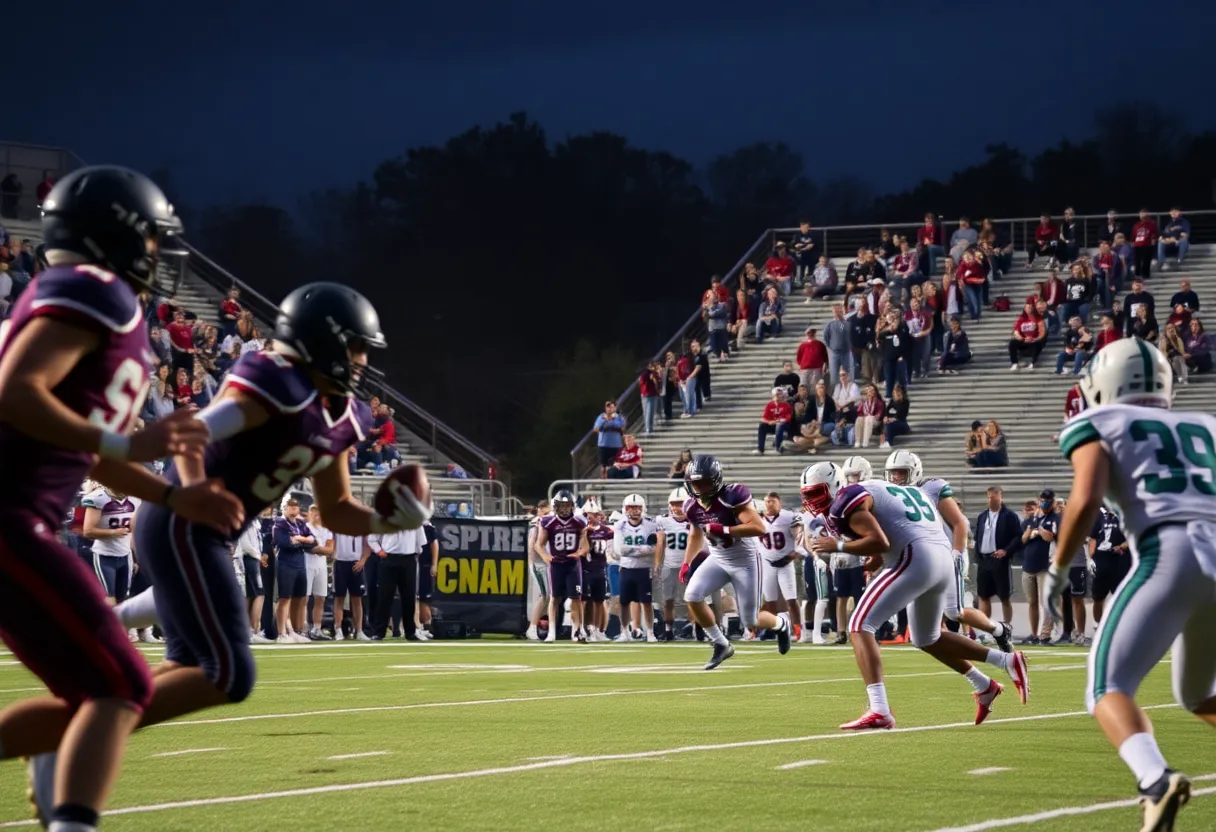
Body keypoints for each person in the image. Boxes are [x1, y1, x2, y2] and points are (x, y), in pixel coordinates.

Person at [25, 281, 432, 823]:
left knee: (190, 668)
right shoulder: (273, 382)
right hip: (182, 522)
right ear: (324, 342)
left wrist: (388, 519)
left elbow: (334, 510)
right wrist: (192, 489)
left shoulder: (344, 415)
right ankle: (74, 731)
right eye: (355, 347)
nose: (361, 360)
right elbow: (192, 431)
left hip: (207, 531)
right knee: (229, 672)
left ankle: (74, 726)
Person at [0, 166, 248, 832]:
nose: (156, 256)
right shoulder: (95, 289)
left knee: (102, 690)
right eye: (150, 241)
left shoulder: (114, 309)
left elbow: (98, 458)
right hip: (10, 521)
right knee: (120, 686)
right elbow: (16, 391)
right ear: (117, 236)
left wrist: (174, 494)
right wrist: (131, 445)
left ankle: (62, 782)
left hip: (25, 523)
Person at [1046, 337, 1216, 829]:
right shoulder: (1205, 424)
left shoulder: (1098, 421)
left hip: (1171, 552)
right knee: (1199, 694)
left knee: (1107, 685)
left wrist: (1059, 569)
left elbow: (1085, 495)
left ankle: (1156, 782)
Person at [803, 462, 1028, 730]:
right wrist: (875, 558)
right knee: (927, 637)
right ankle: (999, 667)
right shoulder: (877, 488)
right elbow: (893, 527)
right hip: (940, 558)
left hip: (916, 556)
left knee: (859, 625)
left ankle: (880, 709)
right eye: (807, 495)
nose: (812, 501)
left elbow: (881, 541)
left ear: (835, 485)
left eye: (817, 493)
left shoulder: (847, 500)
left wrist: (839, 545)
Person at [884, 452, 1015, 652]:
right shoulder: (890, 495)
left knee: (954, 611)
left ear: (914, 472)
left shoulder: (931, 488)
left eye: (901, 473)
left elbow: (960, 522)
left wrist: (957, 552)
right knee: (927, 626)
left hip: (946, 553)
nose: (895, 478)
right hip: (920, 558)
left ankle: (998, 630)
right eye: (892, 474)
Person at [679, 455, 791, 670]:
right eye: (695, 483)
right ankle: (721, 643)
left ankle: (781, 624)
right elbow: (695, 534)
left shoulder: (730, 497)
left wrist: (725, 529)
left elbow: (759, 528)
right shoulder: (691, 506)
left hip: (745, 560)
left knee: (751, 620)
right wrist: (687, 561)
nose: (700, 488)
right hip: (718, 558)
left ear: (715, 480)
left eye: (704, 482)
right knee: (692, 596)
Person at [534, 491, 589, 642]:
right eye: (561, 505)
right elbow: (538, 544)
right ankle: (552, 631)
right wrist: (546, 556)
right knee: (554, 598)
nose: (564, 509)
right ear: (555, 506)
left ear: (572, 506)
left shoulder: (579, 522)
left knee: (576, 598)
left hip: (572, 564)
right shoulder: (548, 522)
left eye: (567, 505)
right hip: (556, 564)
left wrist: (579, 553)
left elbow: (585, 547)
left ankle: (577, 631)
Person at [971, 486, 1024, 630]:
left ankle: (1007, 626)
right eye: (989, 497)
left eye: (994, 497)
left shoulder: (1009, 516)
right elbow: (978, 537)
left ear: (1001, 498)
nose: (991, 500)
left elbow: (1018, 537)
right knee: (983, 595)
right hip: (984, 559)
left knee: (1004, 595)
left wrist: (1006, 551)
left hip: (999, 559)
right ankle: (985, 627)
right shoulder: (983, 516)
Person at [613, 494, 660, 642]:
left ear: (642, 508)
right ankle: (625, 632)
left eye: (637, 507)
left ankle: (650, 632)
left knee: (646, 602)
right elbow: (620, 550)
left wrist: (632, 550)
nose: (634, 510)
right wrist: (642, 549)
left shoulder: (651, 525)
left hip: (644, 569)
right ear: (626, 508)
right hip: (626, 568)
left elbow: (654, 548)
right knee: (624, 602)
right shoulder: (620, 525)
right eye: (631, 507)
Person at [756, 493, 802, 640]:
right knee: (770, 601)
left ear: (779, 503)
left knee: (791, 599)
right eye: (767, 501)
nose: (769, 504)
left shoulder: (789, 517)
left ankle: (797, 630)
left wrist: (793, 555)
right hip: (767, 563)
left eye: (772, 501)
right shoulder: (757, 519)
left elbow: (799, 537)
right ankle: (776, 629)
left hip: (785, 563)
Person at [655, 488, 697, 642]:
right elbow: (660, 544)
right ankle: (668, 630)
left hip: (688, 565)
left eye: (681, 504)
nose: (677, 508)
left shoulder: (694, 520)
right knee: (668, 600)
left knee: (692, 598)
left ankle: (695, 627)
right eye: (674, 504)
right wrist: (657, 565)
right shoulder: (663, 520)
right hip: (669, 566)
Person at [1087, 506, 1129, 625]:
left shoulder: (1127, 513)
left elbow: (1134, 537)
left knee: (1120, 596)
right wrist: (1091, 558)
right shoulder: (1099, 514)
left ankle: (1120, 626)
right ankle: (1098, 625)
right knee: (1098, 597)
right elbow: (1093, 538)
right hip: (1101, 558)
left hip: (1120, 559)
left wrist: (1122, 546)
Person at [581, 500, 613, 642]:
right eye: (588, 515)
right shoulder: (580, 530)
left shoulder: (607, 531)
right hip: (584, 569)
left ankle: (598, 630)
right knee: (584, 601)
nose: (591, 517)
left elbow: (612, 550)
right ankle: (583, 629)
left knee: (599, 601)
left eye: (594, 514)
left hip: (600, 568)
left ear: (600, 515)